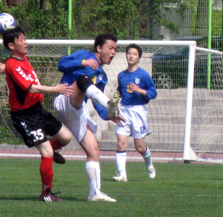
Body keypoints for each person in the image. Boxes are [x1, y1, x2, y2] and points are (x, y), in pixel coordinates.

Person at [0, 26, 74, 202]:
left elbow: (16, 72)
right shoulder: (12, 64)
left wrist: (6, 68)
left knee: (66, 137)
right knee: (46, 151)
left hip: (37, 109)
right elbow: (31, 88)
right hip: (24, 116)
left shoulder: (21, 59)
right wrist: (56, 89)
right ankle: (46, 193)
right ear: (11, 45)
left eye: (25, 39)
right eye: (21, 40)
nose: (25, 42)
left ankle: (51, 154)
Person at [53, 33, 124, 202]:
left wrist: (109, 115)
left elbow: (96, 105)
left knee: (94, 150)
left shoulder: (102, 76)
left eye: (115, 49)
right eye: (110, 48)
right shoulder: (84, 55)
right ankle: (109, 103)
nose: (113, 52)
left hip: (78, 110)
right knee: (83, 80)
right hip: (64, 99)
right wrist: (82, 63)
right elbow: (61, 64)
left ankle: (94, 193)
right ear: (99, 48)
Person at [112, 43, 158, 182]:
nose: (131, 56)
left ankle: (149, 165)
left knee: (139, 147)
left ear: (138, 58)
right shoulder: (122, 75)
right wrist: (115, 96)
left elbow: (153, 92)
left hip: (138, 111)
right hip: (124, 110)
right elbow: (120, 91)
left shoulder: (143, 75)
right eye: (129, 53)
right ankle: (122, 174)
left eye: (134, 54)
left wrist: (140, 90)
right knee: (121, 142)